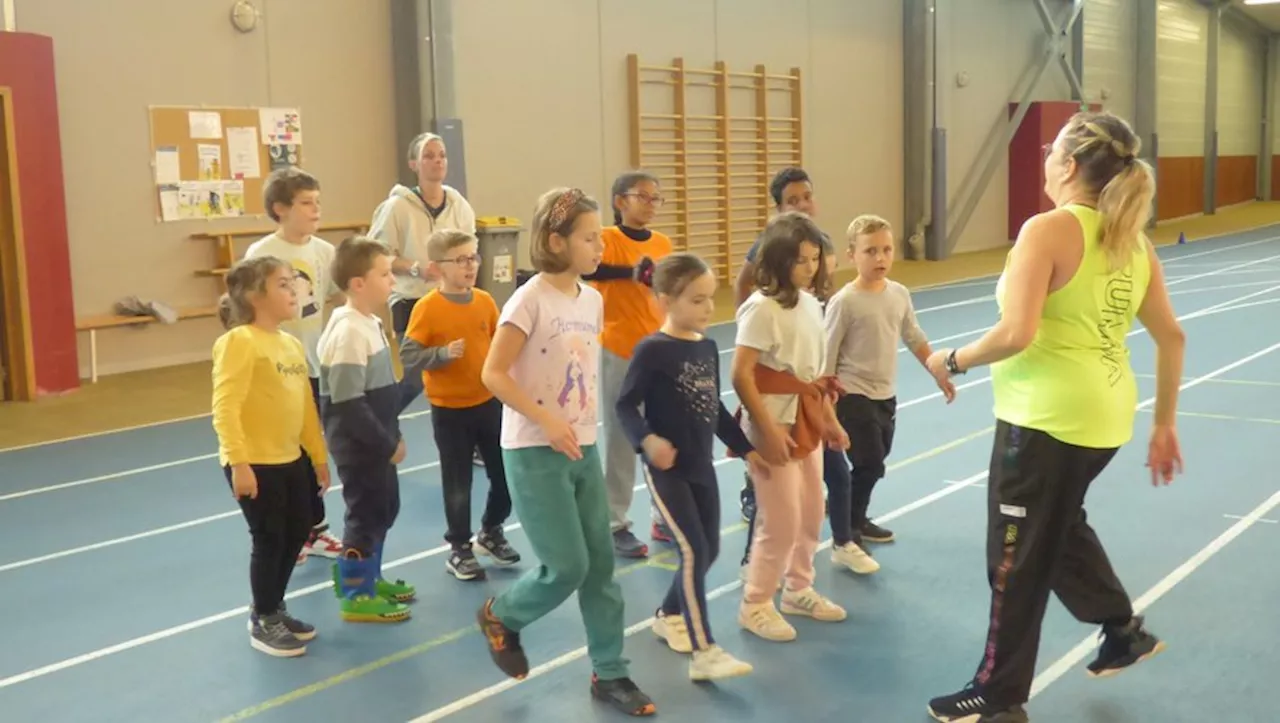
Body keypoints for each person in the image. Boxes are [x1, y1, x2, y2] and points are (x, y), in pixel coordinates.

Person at [921, 111, 1183, 723]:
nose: (1044, 160)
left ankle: (1000, 694)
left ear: (1068, 166)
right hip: (1107, 418)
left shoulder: (1048, 230)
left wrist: (951, 360)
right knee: (1058, 525)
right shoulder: (1131, 241)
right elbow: (1171, 337)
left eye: (1049, 151)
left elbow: (1016, 333)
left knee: (1013, 557)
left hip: (1044, 422)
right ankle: (1122, 630)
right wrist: (1163, 422)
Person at [476, 188, 656, 717]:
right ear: (556, 241)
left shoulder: (592, 299)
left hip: (583, 445)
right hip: (535, 452)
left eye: (599, 235)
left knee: (600, 567)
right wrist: (547, 418)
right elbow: (493, 373)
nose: (599, 245)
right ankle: (503, 615)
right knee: (567, 566)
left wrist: (579, 424)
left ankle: (611, 672)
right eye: (588, 237)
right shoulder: (527, 300)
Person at [614, 253, 763, 681]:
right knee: (694, 550)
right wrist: (647, 440)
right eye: (697, 301)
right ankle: (705, 651)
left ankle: (668, 614)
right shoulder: (652, 350)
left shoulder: (706, 346)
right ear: (665, 300)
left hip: (702, 466)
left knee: (710, 549)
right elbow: (624, 404)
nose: (707, 309)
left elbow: (713, 408)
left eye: (709, 299)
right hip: (667, 470)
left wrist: (747, 450)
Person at [733, 212, 850, 643]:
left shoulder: (813, 306)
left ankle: (798, 588)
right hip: (773, 424)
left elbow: (813, 378)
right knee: (779, 519)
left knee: (810, 510)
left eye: (815, 259)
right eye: (801, 260)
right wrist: (765, 429)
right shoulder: (761, 310)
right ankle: (755, 601)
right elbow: (742, 375)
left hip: (804, 421)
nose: (810, 267)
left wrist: (831, 422)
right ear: (779, 261)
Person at [211, 255, 330, 657]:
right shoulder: (238, 342)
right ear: (255, 296)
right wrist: (238, 462)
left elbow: (306, 408)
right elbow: (225, 406)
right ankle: (263, 617)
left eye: (293, 282)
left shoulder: (291, 344)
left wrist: (317, 457)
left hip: (290, 458)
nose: (294, 290)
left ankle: (274, 607)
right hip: (255, 462)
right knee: (269, 539)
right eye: (283, 284)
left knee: (298, 532)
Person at [824, 214, 955, 574]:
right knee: (869, 462)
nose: (880, 258)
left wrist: (937, 371)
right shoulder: (844, 302)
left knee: (877, 460)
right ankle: (845, 532)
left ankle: (856, 516)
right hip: (852, 393)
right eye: (870, 251)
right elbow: (828, 354)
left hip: (885, 394)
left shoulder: (898, 294)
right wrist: (826, 403)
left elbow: (913, 335)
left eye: (886, 249)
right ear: (852, 255)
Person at [400, 229, 520, 581]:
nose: (470, 265)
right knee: (458, 483)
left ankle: (491, 530)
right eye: (462, 259)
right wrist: (440, 354)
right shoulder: (428, 308)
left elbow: (500, 342)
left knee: (504, 475)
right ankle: (459, 548)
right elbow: (409, 354)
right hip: (450, 410)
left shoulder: (484, 301)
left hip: (488, 403)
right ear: (438, 267)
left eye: (474, 257)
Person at [244, 167, 344, 564]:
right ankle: (298, 528)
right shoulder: (263, 255)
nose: (315, 210)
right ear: (280, 209)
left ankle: (311, 528)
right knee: (284, 453)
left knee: (311, 447)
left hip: (314, 366)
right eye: (306, 203)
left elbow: (334, 296)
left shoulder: (324, 252)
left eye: (318, 202)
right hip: (277, 369)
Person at [317, 237, 416, 623]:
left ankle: (367, 577)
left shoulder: (370, 323)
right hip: (360, 445)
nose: (393, 280)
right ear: (358, 283)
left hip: (378, 438)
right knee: (366, 515)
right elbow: (347, 403)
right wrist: (384, 443)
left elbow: (381, 394)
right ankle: (356, 594)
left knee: (385, 508)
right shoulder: (347, 332)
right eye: (385, 273)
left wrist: (394, 433)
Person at [585, 170, 673, 558]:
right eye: (644, 197)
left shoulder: (663, 242)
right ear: (621, 201)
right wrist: (633, 272)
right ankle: (615, 522)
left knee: (664, 432)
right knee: (622, 439)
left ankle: (663, 513)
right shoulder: (606, 239)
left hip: (658, 348)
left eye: (657, 198)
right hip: (619, 348)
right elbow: (590, 269)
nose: (651, 204)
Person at [368, 131, 478, 413]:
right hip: (411, 299)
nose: (437, 161)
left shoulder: (459, 206)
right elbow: (378, 254)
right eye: (428, 156)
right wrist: (416, 269)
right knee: (416, 378)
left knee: (466, 365)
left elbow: (470, 249)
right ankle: (381, 420)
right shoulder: (397, 208)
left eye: (441, 155)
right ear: (414, 164)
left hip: (452, 299)